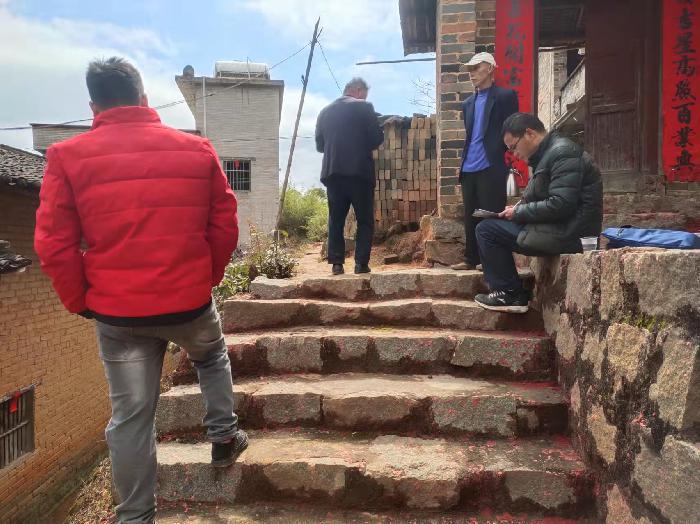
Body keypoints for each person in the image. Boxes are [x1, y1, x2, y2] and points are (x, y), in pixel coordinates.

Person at [34, 57, 246, 523]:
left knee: (131, 418)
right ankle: (223, 438)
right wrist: (206, 277)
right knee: (211, 356)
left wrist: (80, 301)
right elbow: (225, 225)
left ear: (94, 107)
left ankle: (135, 517)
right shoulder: (197, 149)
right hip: (189, 302)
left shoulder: (66, 157)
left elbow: (53, 245)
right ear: (144, 99)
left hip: (118, 315)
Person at [474, 112, 603, 313]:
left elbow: (561, 204)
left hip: (570, 233)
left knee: (487, 230)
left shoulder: (562, 152)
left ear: (529, 133)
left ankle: (509, 293)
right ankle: (510, 290)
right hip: (557, 227)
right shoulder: (548, 155)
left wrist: (519, 212)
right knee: (489, 226)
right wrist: (516, 209)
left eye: (513, 147)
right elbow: (549, 198)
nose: (514, 154)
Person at [451, 52, 519, 271]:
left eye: (476, 68)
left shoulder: (505, 97)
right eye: (469, 70)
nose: (471, 74)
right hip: (468, 166)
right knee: (470, 214)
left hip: (491, 164)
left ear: (490, 68)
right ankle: (471, 258)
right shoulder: (467, 104)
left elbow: (512, 128)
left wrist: (504, 153)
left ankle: (490, 259)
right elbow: (471, 136)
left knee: (491, 213)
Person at [315, 77, 384, 275]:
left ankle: (337, 264)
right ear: (359, 91)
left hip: (334, 173)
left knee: (336, 220)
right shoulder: (365, 107)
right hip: (359, 173)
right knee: (364, 220)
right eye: (365, 95)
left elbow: (320, 146)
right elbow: (376, 138)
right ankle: (361, 264)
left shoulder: (324, 112)